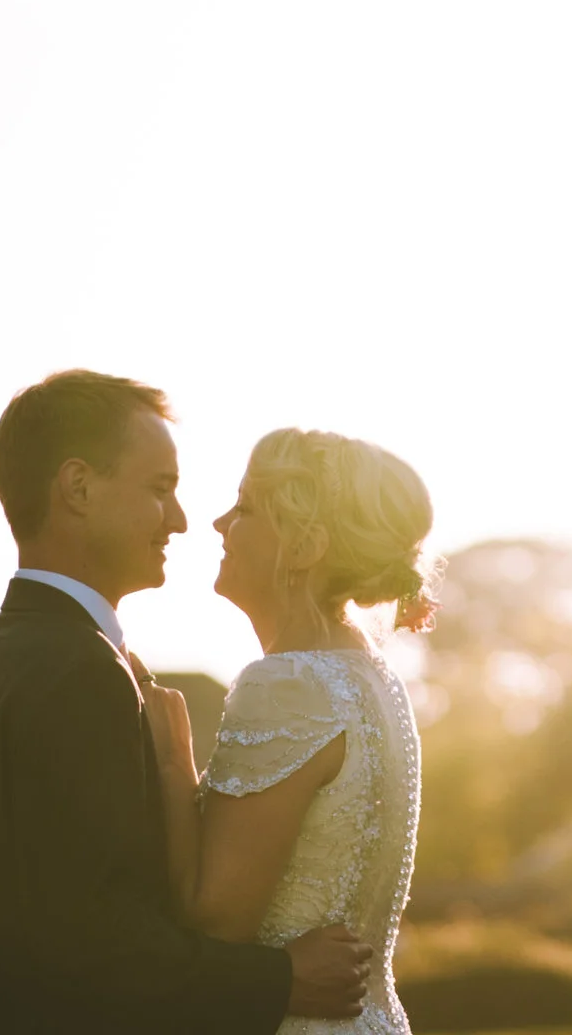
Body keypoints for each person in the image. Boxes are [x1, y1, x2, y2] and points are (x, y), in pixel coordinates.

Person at [0, 371, 373, 1034]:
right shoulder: (82, 674)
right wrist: (281, 978)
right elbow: (96, 945)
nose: (180, 518)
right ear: (79, 488)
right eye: (160, 489)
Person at [140, 427, 436, 1035]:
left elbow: (215, 920)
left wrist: (172, 766)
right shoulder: (373, 677)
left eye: (245, 507)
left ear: (303, 548)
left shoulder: (287, 685)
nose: (219, 524)